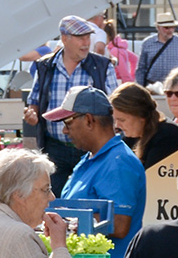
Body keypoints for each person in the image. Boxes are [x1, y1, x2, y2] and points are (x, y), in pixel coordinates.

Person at [49, 85, 146, 258]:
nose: (64, 130)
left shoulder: (119, 163)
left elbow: (119, 225)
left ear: (89, 120)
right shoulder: (89, 159)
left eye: (68, 122)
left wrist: (65, 223)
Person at [23, 15, 119, 191]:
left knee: (90, 198)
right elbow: (34, 100)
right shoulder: (45, 66)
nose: (86, 42)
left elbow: (113, 106)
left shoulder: (103, 66)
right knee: (52, 200)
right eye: (81, 37)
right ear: (64, 38)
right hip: (55, 147)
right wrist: (32, 113)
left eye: (88, 37)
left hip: (91, 146)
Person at [111, 82, 178, 168]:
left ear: (141, 115)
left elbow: (149, 178)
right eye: (115, 120)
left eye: (122, 120)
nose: (117, 125)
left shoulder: (169, 138)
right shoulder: (132, 135)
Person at [135, 10, 178, 86]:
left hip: (175, 85)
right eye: (167, 28)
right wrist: (141, 87)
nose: (170, 30)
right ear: (158, 28)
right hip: (152, 86)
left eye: (172, 27)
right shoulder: (147, 43)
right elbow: (141, 68)